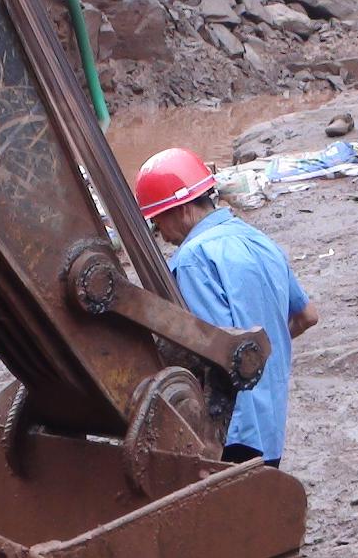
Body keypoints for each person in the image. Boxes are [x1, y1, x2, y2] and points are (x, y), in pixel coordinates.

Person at [134, 146, 318, 467]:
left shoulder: (193, 259)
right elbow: (306, 316)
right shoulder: (262, 241)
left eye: (157, 222)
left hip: (227, 432)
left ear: (181, 210)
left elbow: (214, 352)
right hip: (271, 424)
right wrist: (265, 355)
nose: (161, 236)